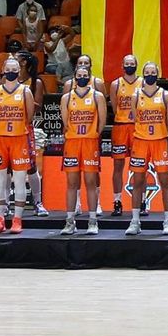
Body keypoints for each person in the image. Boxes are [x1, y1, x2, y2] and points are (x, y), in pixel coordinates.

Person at [0, 56, 36, 235]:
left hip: (19, 139)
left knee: (19, 181)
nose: (11, 72)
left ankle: (17, 220)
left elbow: (29, 117)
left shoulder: (25, 91)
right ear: (3, 71)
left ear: (19, 72)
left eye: (15, 69)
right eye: (8, 69)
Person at [122, 61, 168, 234]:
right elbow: (135, 118)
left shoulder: (166, 95)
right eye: (147, 72)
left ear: (157, 75)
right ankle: (135, 221)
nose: (150, 75)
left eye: (153, 72)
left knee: (165, 181)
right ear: (143, 74)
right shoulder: (136, 95)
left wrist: (160, 133)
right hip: (141, 141)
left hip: (160, 141)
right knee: (137, 182)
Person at [58, 64, 106, 235]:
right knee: (72, 183)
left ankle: (92, 221)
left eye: (85, 75)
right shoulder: (66, 98)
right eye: (79, 75)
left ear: (89, 77)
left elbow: (102, 121)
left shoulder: (97, 96)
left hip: (90, 142)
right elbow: (65, 122)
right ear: (75, 77)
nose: (82, 78)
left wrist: (93, 134)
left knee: (91, 182)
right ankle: (70, 221)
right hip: (72, 142)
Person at [105, 54, 142, 215]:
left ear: (136, 65)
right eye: (127, 63)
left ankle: (141, 201)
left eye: (132, 63)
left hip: (138, 128)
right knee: (118, 166)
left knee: (140, 166)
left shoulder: (142, 82)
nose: (129, 66)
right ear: (122, 66)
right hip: (120, 126)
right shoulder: (116, 84)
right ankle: (117, 201)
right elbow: (115, 107)